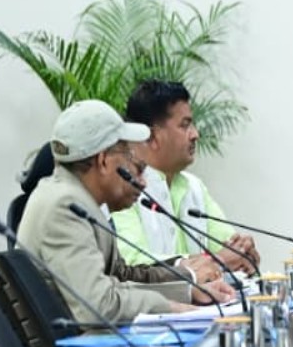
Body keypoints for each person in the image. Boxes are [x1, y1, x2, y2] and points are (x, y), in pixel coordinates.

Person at [17, 100, 235, 322]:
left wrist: (187, 291)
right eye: (134, 168)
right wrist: (169, 307)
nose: (141, 182)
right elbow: (98, 307)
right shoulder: (65, 206)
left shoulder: (78, 198)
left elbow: (120, 278)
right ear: (103, 161)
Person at [110, 80, 258, 276]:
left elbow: (229, 247)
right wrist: (217, 262)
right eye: (185, 125)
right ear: (153, 136)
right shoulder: (123, 187)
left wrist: (244, 252)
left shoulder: (194, 186)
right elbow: (133, 265)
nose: (195, 134)